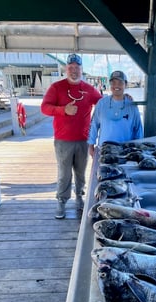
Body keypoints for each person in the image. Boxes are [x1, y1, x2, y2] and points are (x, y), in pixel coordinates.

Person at [41, 54, 102, 219]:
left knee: (81, 172)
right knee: (64, 173)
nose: (74, 71)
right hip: (63, 141)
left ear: (82, 70)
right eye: (71, 67)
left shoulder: (89, 89)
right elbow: (44, 108)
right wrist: (62, 110)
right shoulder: (56, 87)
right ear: (66, 69)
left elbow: (103, 103)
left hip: (83, 140)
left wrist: (123, 99)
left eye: (77, 68)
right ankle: (61, 201)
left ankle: (80, 197)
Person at [88, 70, 143, 157]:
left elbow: (138, 130)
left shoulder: (132, 106)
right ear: (110, 85)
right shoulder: (101, 103)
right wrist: (91, 145)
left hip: (125, 152)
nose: (116, 85)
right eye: (113, 82)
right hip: (104, 151)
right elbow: (94, 125)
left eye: (120, 82)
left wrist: (138, 149)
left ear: (125, 84)